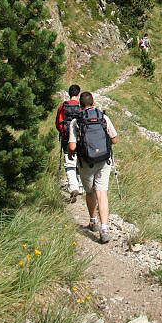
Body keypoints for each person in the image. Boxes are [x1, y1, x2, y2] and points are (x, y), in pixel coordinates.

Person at [68, 91, 118, 244]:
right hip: (103, 161)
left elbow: (71, 146)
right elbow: (114, 139)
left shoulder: (76, 122)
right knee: (102, 193)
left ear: (80, 106)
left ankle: (93, 221)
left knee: (90, 192)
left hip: (86, 163)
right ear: (94, 102)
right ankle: (104, 229)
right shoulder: (103, 117)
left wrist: (71, 155)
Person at [55, 84, 83, 203]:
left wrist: (63, 132)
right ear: (78, 94)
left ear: (69, 93)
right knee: (81, 161)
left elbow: (58, 123)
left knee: (69, 163)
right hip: (81, 139)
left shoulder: (63, 106)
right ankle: (81, 187)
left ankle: (73, 187)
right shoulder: (81, 106)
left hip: (67, 138)